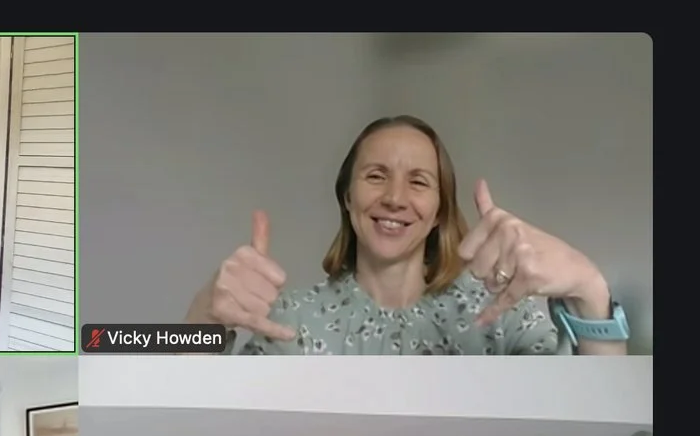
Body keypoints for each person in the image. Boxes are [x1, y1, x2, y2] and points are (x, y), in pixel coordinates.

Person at [186, 115, 632, 356]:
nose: (395, 198)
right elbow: (160, 384)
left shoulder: (502, 315)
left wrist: (589, 286)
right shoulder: (288, 320)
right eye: (376, 175)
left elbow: (597, 423)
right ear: (346, 196)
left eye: (419, 181)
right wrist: (203, 316)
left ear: (439, 211)